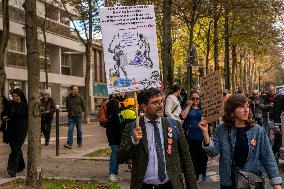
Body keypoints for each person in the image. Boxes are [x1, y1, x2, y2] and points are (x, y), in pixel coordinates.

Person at [118, 88, 197, 189]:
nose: (160, 105)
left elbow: (187, 160)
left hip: (171, 185)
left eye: (161, 101)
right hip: (144, 186)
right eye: (155, 103)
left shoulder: (174, 125)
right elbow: (120, 158)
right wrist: (133, 141)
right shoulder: (133, 128)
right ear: (144, 106)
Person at [198, 94, 282, 188]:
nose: (246, 110)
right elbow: (213, 152)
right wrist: (205, 133)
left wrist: (276, 182)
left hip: (252, 182)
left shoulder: (257, 130)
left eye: (247, 106)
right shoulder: (222, 130)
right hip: (229, 183)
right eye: (241, 107)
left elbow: (268, 157)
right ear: (232, 110)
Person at [180, 90, 208, 182]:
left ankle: (203, 172)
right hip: (191, 136)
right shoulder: (188, 108)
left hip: (201, 135)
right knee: (193, 157)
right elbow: (183, 117)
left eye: (197, 98)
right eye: (193, 98)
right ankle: (195, 175)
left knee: (203, 156)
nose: (195, 100)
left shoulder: (203, 109)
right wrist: (189, 105)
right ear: (190, 99)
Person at [1, 88, 28, 177]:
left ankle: (12, 169)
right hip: (11, 129)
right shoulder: (9, 104)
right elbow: (4, 113)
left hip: (21, 130)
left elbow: (26, 118)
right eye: (13, 96)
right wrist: (4, 117)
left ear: (20, 96)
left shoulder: (25, 105)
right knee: (15, 148)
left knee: (16, 148)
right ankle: (21, 165)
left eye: (16, 96)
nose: (14, 98)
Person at [106, 94, 122, 182]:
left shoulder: (117, 103)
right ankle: (112, 173)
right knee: (115, 151)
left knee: (117, 152)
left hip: (116, 133)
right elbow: (116, 121)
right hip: (114, 133)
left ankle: (115, 172)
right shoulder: (114, 103)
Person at [272, 88, 284, 161]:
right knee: (278, 142)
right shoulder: (280, 97)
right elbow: (276, 113)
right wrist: (276, 126)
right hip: (280, 124)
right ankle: (272, 158)